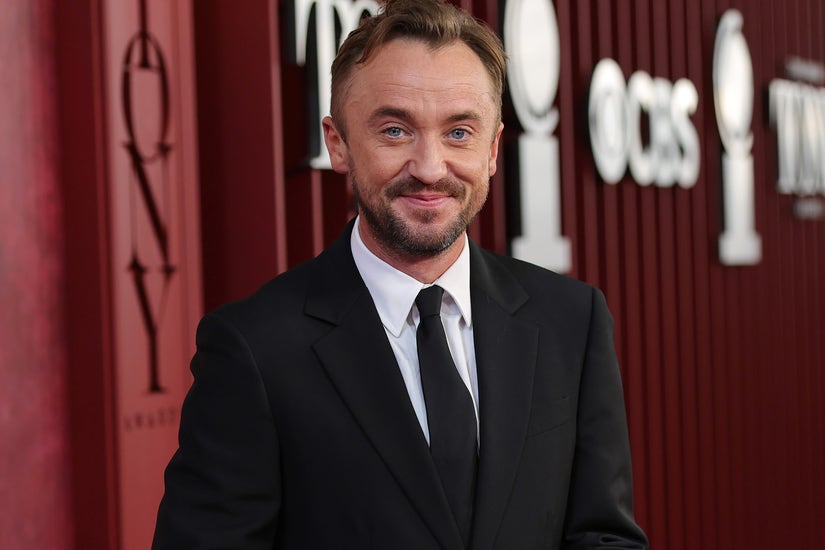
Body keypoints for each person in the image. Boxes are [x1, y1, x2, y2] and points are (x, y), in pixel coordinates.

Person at [152, 0, 648, 548]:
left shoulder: (571, 322)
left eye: (459, 132)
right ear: (338, 144)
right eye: (395, 130)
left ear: (492, 149)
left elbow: (605, 537)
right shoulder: (254, 349)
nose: (430, 168)